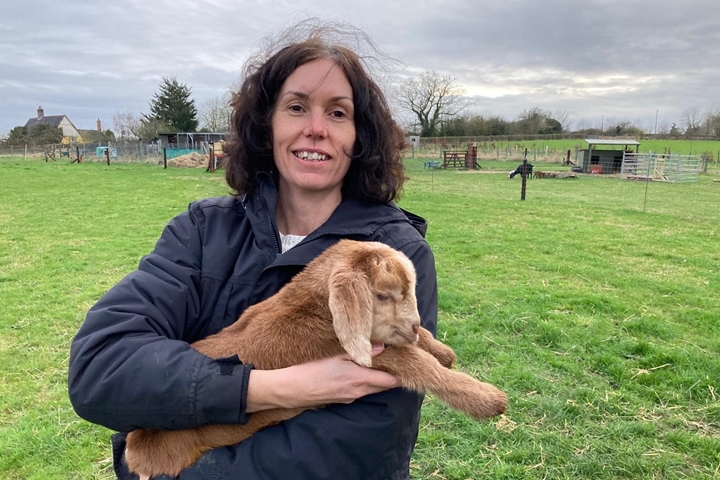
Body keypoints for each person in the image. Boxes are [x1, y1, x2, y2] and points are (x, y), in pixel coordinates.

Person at [68, 21, 438, 480]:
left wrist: (168, 463)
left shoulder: (393, 254)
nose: (316, 129)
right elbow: (101, 369)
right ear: (267, 128)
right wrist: (272, 388)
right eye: (297, 107)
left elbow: (357, 448)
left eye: (339, 113)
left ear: (359, 137)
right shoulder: (202, 231)